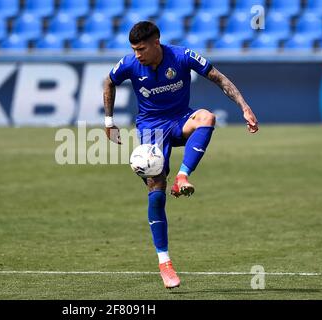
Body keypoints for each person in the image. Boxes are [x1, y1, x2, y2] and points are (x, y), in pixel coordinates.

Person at [102, 21, 259, 289]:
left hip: (180, 119)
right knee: (156, 189)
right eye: (134, 49)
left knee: (207, 117)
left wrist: (244, 107)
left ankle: (183, 176)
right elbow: (109, 81)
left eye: (141, 48)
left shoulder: (182, 56)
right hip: (151, 128)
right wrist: (108, 121)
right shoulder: (129, 64)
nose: (137, 54)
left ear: (156, 42)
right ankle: (164, 262)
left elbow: (218, 78)